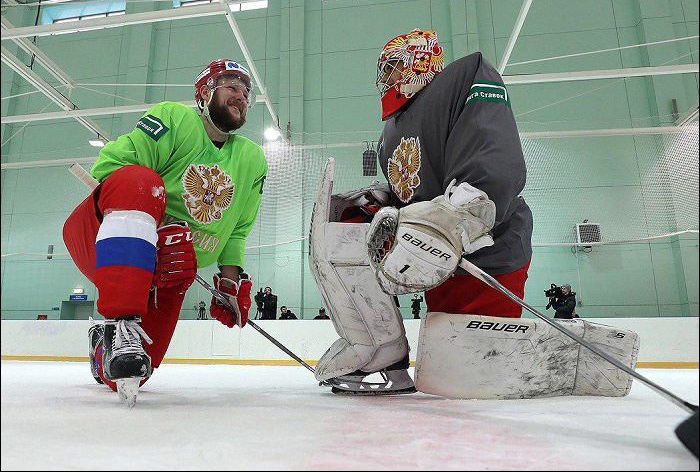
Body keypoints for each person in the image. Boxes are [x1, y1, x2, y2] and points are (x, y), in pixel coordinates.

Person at [309, 29, 532, 395]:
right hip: (440, 262)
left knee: (472, 383)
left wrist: (465, 209)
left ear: (420, 61)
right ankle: (381, 352)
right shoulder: (389, 133)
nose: (387, 78)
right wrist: (380, 205)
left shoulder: (464, 78)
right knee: (445, 381)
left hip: (486, 253)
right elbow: (410, 190)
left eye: (395, 67)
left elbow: (489, 150)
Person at [64, 59, 267, 406]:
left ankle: (103, 345)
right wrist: (162, 229)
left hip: (170, 275)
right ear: (204, 93)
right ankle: (120, 321)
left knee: (132, 370)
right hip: (98, 238)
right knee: (140, 180)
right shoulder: (176, 118)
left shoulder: (252, 159)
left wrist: (230, 282)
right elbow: (111, 167)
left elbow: (238, 230)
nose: (241, 95)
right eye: (231, 86)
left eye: (246, 92)